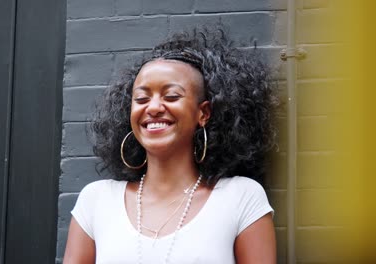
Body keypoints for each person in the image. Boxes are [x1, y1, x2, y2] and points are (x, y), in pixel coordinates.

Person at [63, 26, 277, 264]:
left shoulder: (240, 197)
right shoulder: (96, 200)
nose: (153, 108)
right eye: (142, 99)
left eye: (171, 96)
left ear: (203, 113)